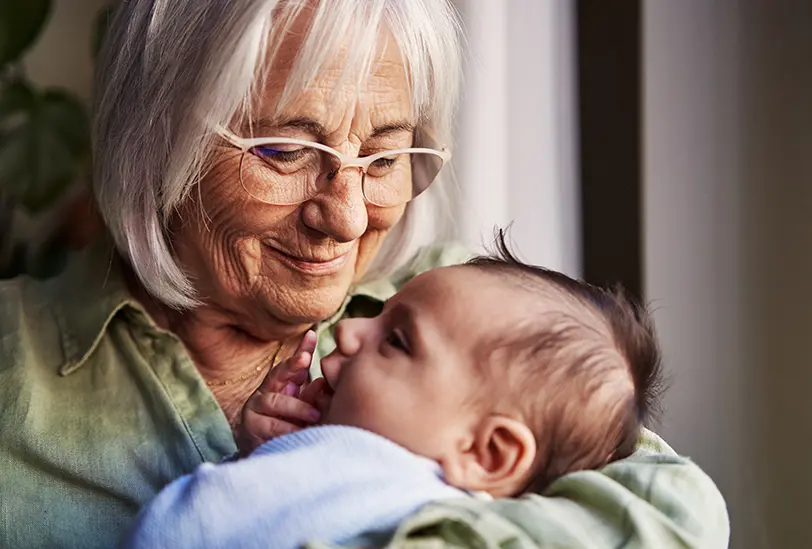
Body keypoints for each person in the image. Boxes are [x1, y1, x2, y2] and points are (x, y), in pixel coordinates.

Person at [0, 0, 729, 548]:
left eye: (383, 158)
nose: (346, 218)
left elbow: (677, 517)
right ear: (156, 134)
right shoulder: (15, 366)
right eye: (285, 151)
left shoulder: (473, 313)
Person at [123, 240, 665, 549]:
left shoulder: (391, 495)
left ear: (488, 453)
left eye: (397, 340)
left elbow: (191, 529)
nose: (351, 330)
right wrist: (266, 453)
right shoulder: (383, 477)